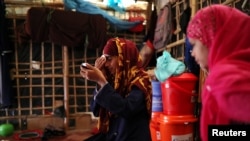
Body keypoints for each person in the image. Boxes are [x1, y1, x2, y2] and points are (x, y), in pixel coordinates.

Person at [187, 4, 250, 141]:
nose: (192, 54)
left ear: (212, 40)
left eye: (195, 45)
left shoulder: (223, 80)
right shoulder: (241, 69)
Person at [80, 37, 152, 141]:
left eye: (109, 59)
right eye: (104, 60)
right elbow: (95, 111)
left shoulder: (141, 80)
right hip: (115, 135)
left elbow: (126, 109)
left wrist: (102, 81)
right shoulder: (115, 80)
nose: (106, 64)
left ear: (123, 57)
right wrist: (100, 83)